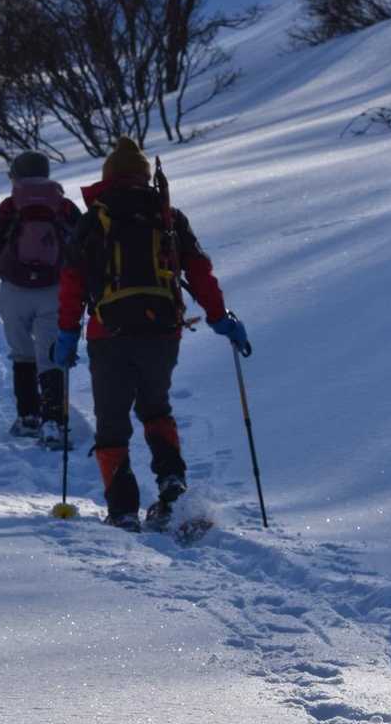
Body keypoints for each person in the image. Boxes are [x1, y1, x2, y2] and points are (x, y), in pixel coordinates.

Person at [52, 137, 250, 531]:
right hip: (162, 332)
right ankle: (173, 488)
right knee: (155, 408)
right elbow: (200, 272)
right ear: (145, 177)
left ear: (108, 177)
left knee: (111, 420)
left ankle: (123, 510)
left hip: (108, 333)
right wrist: (220, 318)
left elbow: (72, 283)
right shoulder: (168, 217)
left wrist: (67, 334)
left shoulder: (93, 220)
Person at [0, 151, 82, 446]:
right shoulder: (65, 206)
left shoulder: (9, 206)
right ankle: (53, 423)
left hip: (14, 292)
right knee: (51, 354)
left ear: (16, 175)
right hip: (55, 290)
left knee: (22, 353)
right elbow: (82, 248)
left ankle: (28, 418)